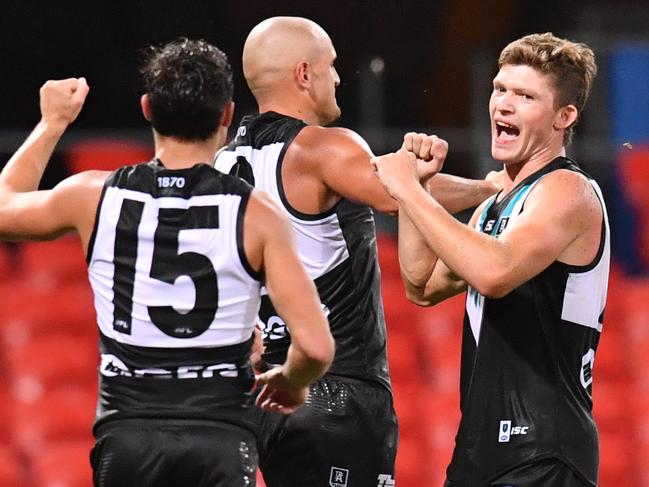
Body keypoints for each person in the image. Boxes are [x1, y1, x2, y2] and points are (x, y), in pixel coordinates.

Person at [0, 38, 335, 486]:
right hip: (219, 441)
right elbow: (315, 348)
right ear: (228, 115)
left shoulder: (94, 196)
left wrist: (53, 121)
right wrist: (293, 379)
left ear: (147, 109)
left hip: (129, 439)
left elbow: (5, 208)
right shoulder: (257, 212)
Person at [214, 16, 501, 486]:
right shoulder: (323, 149)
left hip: (266, 398)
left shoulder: (223, 162)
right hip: (337, 392)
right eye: (331, 65)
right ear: (304, 74)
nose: (339, 78)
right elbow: (403, 194)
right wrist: (490, 188)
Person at [372, 33, 607, 486]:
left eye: (525, 96)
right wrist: (417, 188)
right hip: (480, 446)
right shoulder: (494, 206)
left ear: (565, 116)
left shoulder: (567, 191)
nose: (503, 104)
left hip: (542, 449)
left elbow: (495, 272)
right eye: (500, 89)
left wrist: (405, 190)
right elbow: (421, 286)